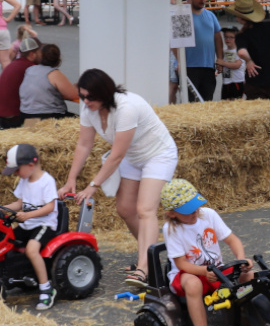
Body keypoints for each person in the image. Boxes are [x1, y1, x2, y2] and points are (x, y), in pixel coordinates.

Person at [62, 69, 178, 291]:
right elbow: (84, 144)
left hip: (158, 155)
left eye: (90, 97)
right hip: (134, 157)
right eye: (82, 96)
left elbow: (116, 155)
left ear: (105, 93)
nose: (85, 102)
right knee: (125, 209)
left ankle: (145, 267)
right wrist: (71, 179)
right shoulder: (89, 109)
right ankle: (150, 255)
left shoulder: (126, 107)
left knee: (145, 209)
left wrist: (92, 186)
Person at [159, 178, 253, 326]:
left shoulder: (208, 214)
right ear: (171, 213)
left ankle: (251, 323)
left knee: (251, 277)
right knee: (194, 285)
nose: (194, 212)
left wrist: (242, 260)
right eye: (187, 211)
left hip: (215, 270)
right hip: (186, 273)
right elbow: (181, 264)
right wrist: (204, 272)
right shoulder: (170, 229)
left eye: (195, 206)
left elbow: (232, 240)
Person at [2, 144, 59, 310]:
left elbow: (50, 207)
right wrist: (2, 208)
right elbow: (19, 203)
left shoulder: (46, 181)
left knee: (31, 250)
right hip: (27, 225)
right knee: (7, 243)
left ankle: (46, 289)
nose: (15, 173)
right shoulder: (24, 180)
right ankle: (14, 276)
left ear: (30, 165)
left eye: (17, 170)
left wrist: (27, 215)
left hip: (44, 224)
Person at [184, 0, 223, 103]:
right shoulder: (183, 15)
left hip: (208, 66)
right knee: (191, 101)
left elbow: (217, 38)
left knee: (207, 100)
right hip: (189, 66)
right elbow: (175, 40)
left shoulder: (211, 15)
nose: (202, 0)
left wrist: (220, 59)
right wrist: (178, 62)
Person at [19, 43, 77, 120]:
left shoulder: (30, 70)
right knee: (82, 123)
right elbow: (73, 95)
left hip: (26, 115)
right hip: (47, 117)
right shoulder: (54, 74)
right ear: (58, 58)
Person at [0, 37, 40, 128]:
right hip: (14, 116)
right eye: (39, 52)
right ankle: (32, 138)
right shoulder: (31, 67)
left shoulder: (14, 64)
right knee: (44, 113)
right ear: (32, 54)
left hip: (4, 114)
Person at [218, 29, 246, 101]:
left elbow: (237, 65)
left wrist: (223, 63)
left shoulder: (240, 51)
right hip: (226, 81)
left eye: (231, 37)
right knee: (224, 103)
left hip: (237, 81)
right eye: (226, 37)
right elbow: (221, 64)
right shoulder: (223, 51)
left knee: (235, 103)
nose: (228, 39)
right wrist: (219, 68)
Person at [0, 0, 20, 69]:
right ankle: (8, 81)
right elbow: (17, 5)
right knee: (5, 60)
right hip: (2, 29)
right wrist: (8, 19)